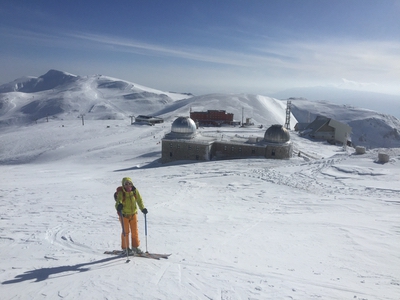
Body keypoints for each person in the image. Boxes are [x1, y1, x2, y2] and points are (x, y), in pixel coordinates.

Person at [115, 177, 148, 255]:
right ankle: (125, 248)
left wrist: (142, 208)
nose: (128, 185)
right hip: (124, 215)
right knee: (125, 232)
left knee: (135, 231)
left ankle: (135, 247)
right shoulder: (121, 193)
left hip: (133, 214)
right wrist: (119, 206)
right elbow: (118, 202)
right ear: (123, 185)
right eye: (126, 184)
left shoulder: (134, 191)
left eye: (129, 183)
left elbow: (139, 200)